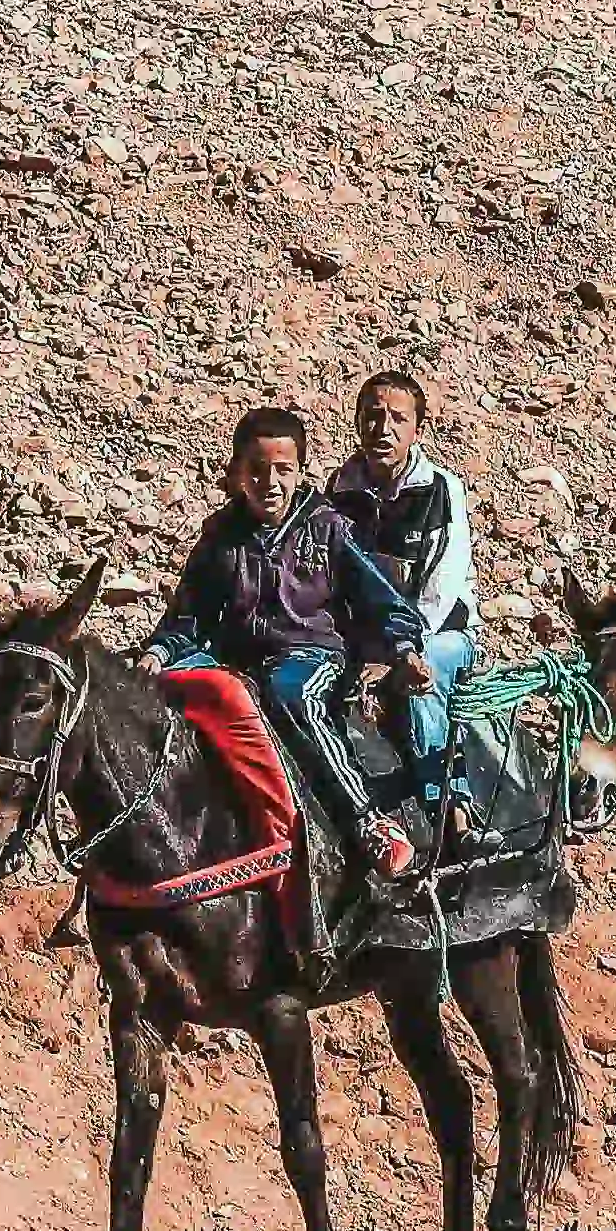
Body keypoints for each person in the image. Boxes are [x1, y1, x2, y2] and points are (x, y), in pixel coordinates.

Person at [150, 405, 432, 887]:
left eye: (283, 470)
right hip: (238, 661)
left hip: (311, 655)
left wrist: (404, 648)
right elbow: (190, 615)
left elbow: (379, 600)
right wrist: (159, 652)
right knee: (165, 691)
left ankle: (367, 821)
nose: (270, 483)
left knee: (291, 693)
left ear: (301, 470)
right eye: (257, 471)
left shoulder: (327, 526)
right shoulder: (221, 536)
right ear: (238, 473)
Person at [325, 368, 479, 840]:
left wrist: (401, 653)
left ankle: (449, 804)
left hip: (438, 634)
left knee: (423, 672)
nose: (382, 429)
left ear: (416, 428)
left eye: (397, 418)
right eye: (372, 417)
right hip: (372, 639)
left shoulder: (440, 490)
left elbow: (441, 586)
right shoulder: (341, 489)